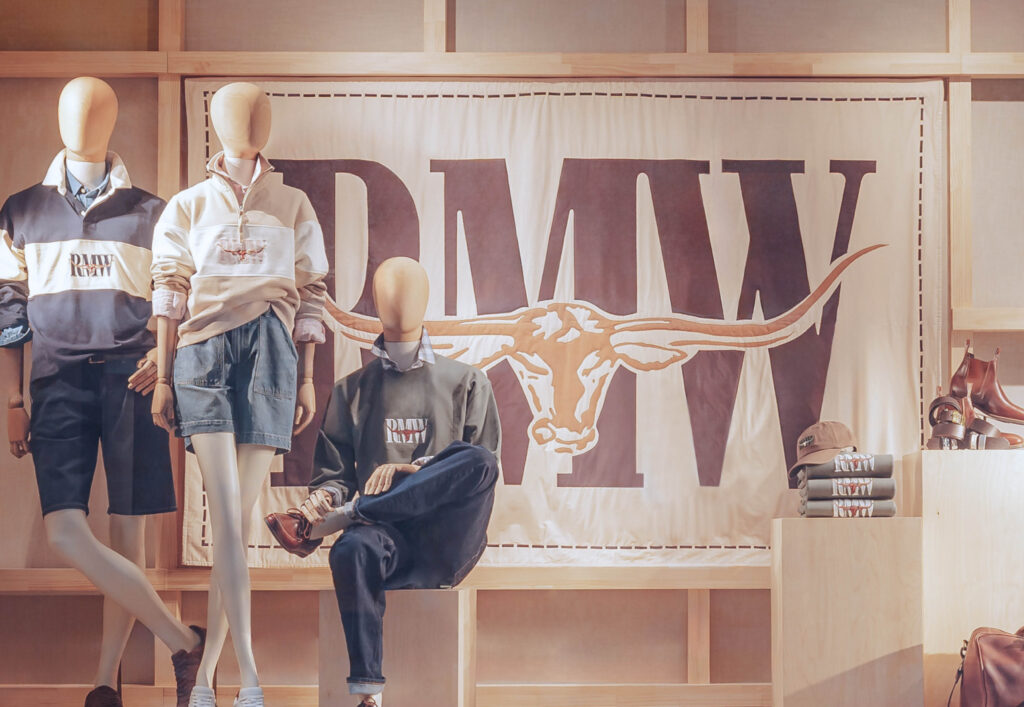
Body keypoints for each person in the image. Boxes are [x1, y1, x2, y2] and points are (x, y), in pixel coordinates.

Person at [0, 76, 204, 707]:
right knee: (66, 531)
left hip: (132, 383)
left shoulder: (154, 212)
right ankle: (182, 640)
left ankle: (103, 684)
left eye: (93, 110)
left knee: (127, 540)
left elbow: (184, 300)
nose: (80, 120)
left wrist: (164, 360)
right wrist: (13, 400)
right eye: (70, 109)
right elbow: (8, 310)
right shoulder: (20, 211)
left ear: (113, 121)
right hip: (56, 381)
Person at [150, 82, 329, 707]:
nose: (247, 121)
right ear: (214, 123)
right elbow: (169, 291)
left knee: (237, 523)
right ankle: (248, 676)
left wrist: (307, 376)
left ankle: (205, 678)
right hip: (202, 350)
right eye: (233, 111)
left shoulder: (294, 203)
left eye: (259, 112)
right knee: (229, 519)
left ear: (270, 125)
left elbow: (311, 291)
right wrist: (163, 375)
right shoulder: (189, 205)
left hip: (271, 350)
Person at [266, 256, 500, 707]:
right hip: (383, 540)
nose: (400, 299)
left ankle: (353, 513)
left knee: (479, 460)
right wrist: (322, 501)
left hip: (447, 538)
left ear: (426, 299)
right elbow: (334, 475)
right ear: (375, 302)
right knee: (349, 549)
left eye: (409, 289)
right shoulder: (351, 390)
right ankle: (367, 693)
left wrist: (413, 470)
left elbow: (478, 472)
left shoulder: (469, 382)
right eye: (390, 291)